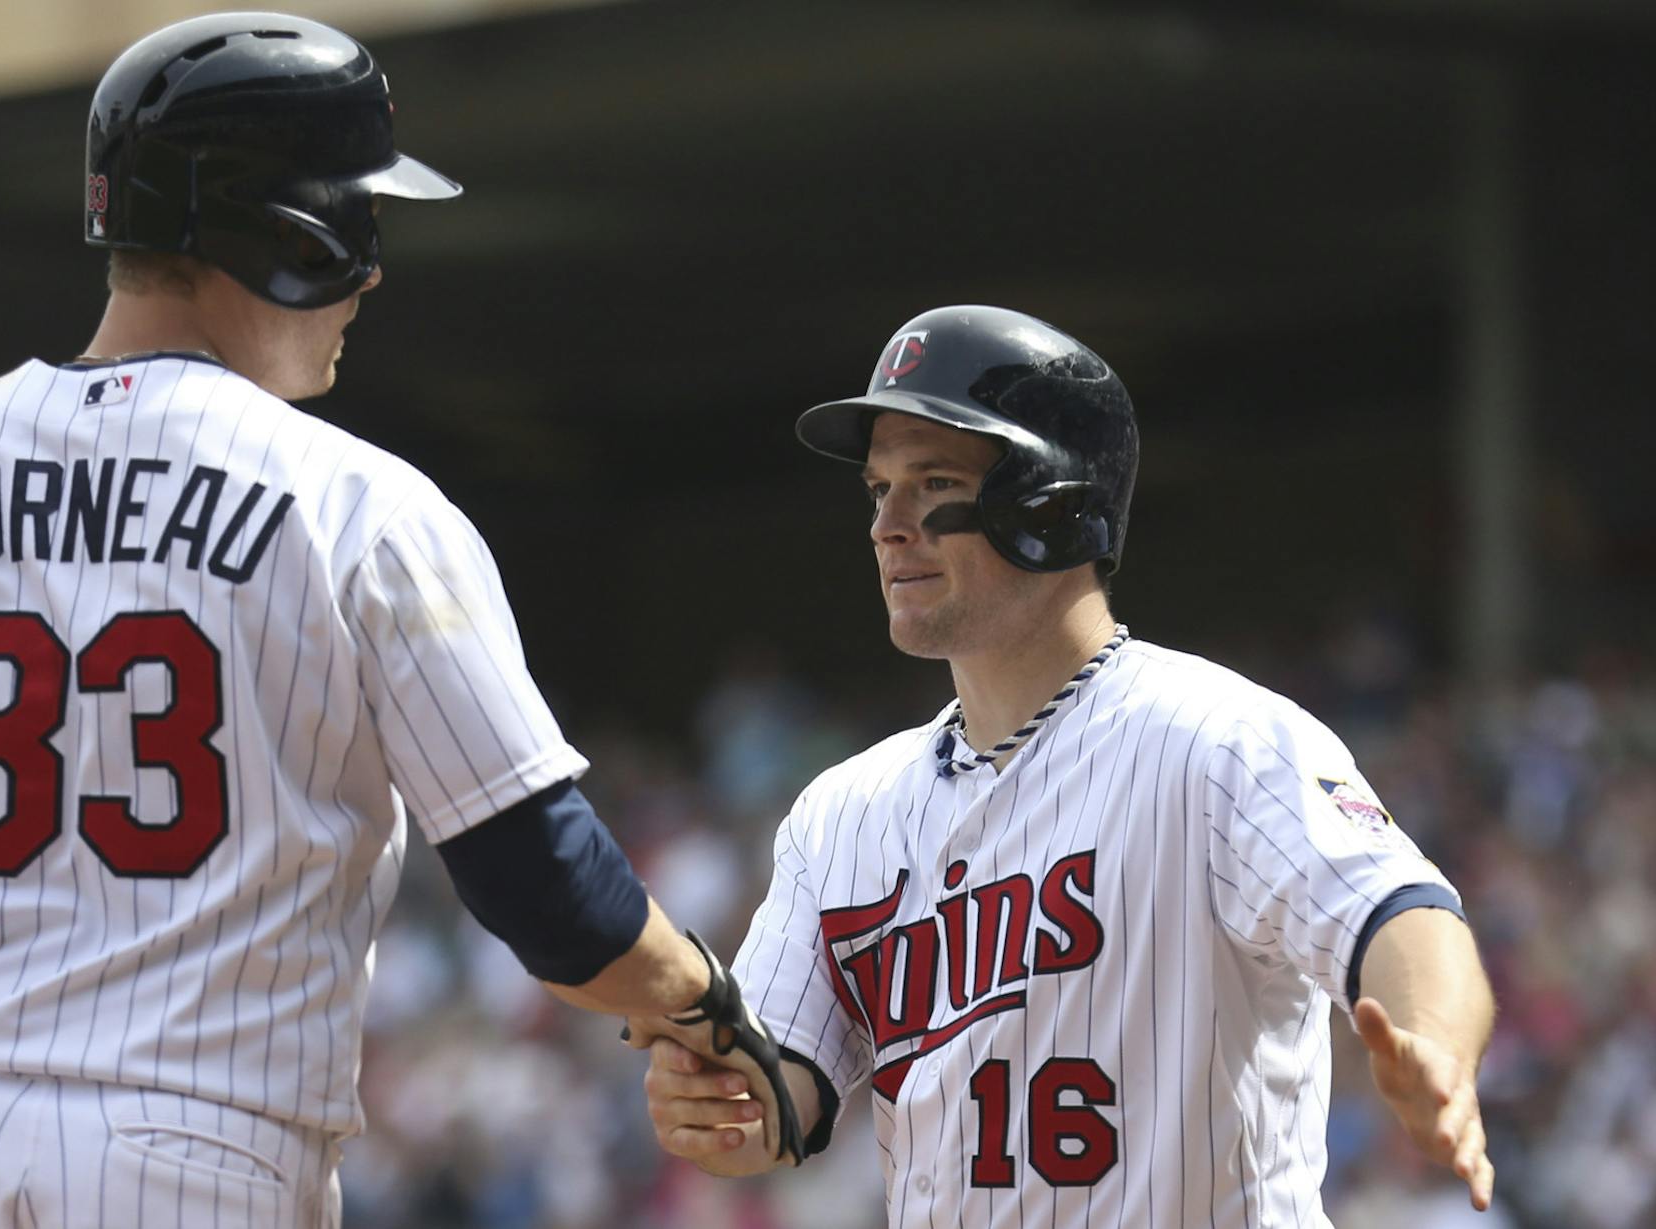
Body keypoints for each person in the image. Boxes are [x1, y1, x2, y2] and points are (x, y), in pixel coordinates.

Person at [0, 14, 795, 1228]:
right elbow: (545, 883)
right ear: (291, 230)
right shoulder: (358, 507)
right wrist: (707, 1004)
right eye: (361, 218)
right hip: (194, 1148)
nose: (372, 271)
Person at [635, 305, 1497, 1225]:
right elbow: (771, 1101)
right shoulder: (839, 816)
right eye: (879, 488)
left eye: (932, 482)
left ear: (1048, 503)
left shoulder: (1212, 738)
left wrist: (1436, 1044)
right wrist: (711, 1098)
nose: (887, 524)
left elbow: (1402, 912)